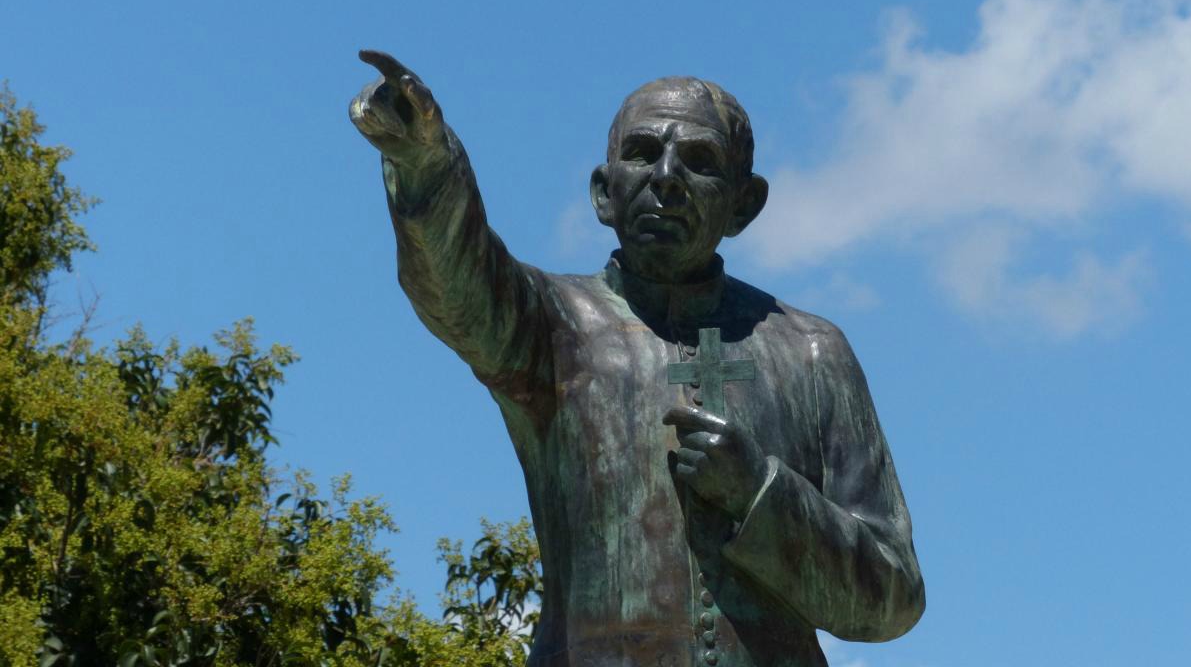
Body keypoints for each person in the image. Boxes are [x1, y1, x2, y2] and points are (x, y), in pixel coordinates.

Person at [350, 50, 925, 667]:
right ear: (604, 193)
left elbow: (890, 599)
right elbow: (456, 285)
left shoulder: (815, 354)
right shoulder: (551, 324)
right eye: (643, 153)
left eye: (700, 161)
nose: (668, 177)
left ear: (744, 204)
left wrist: (760, 493)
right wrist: (426, 162)